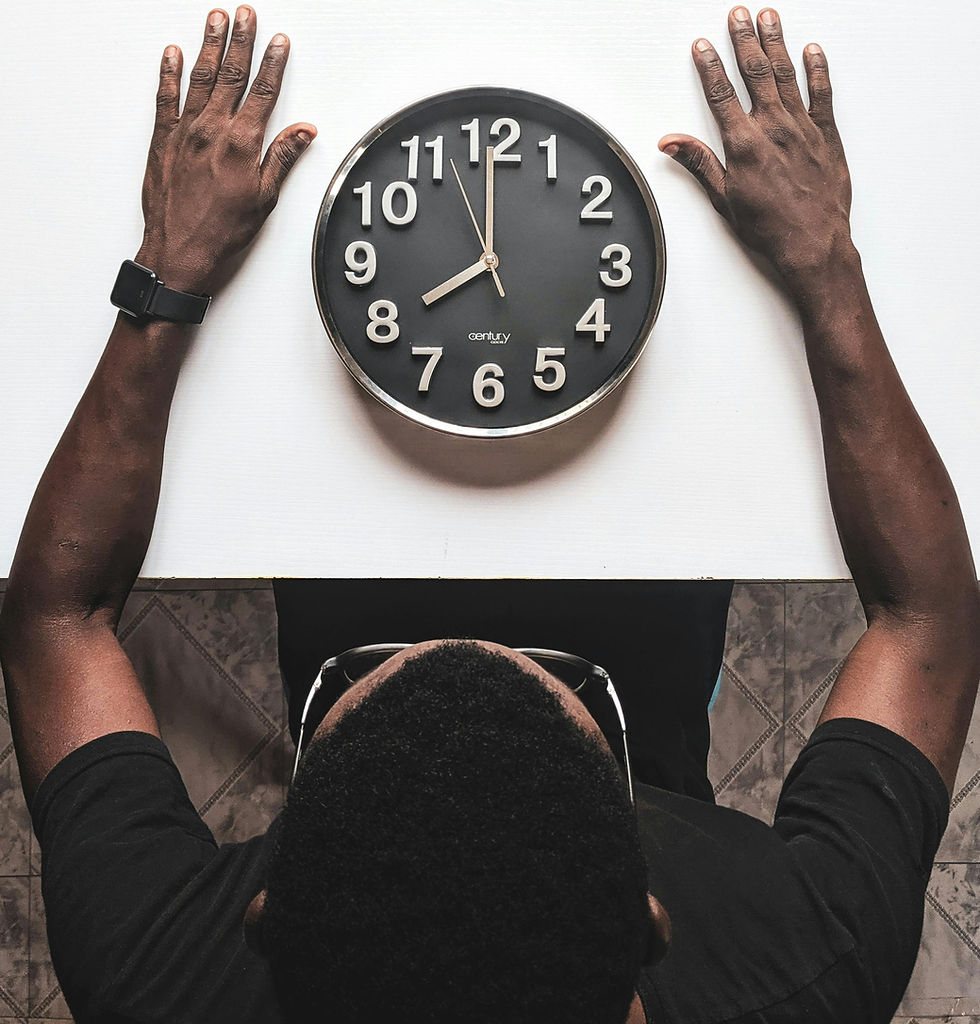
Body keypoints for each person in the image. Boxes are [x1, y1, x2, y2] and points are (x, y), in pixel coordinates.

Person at [0, 5, 976, 1024]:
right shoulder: (800, 964)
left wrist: (163, 276)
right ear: (650, 923)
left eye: (376, 690)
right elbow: (927, 615)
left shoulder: (165, 978)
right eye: (550, 696)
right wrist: (826, 269)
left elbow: (54, 617)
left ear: (261, 917)